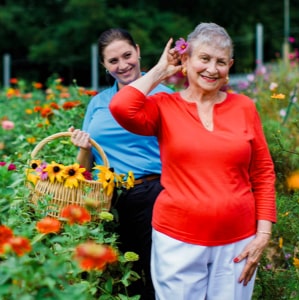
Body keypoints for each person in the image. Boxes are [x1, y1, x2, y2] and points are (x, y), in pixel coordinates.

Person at [109, 22, 277, 300]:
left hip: (238, 242)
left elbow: (262, 172)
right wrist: (161, 70)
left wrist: (263, 234)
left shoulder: (244, 107)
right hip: (177, 239)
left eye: (221, 62)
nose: (212, 69)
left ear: (230, 66)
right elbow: (120, 106)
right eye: (205, 59)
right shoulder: (164, 106)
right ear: (186, 60)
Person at [69, 28, 173, 299]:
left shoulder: (165, 96)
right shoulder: (98, 103)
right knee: (128, 280)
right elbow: (84, 167)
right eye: (113, 61)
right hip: (111, 202)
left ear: (138, 51)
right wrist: (82, 148)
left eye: (127, 55)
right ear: (104, 65)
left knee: (156, 276)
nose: (123, 65)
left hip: (156, 195)